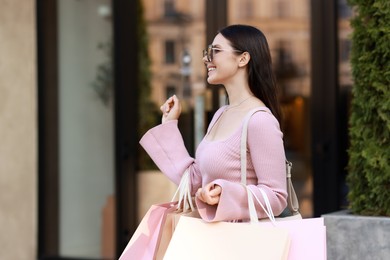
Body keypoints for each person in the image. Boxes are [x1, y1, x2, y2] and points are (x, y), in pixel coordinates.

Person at [140, 24, 287, 222]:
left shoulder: (260, 120)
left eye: (215, 51)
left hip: (241, 246)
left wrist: (224, 193)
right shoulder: (221, 114)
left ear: (243, 58)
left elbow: (276, 198)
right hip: (215, 241)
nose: (205, 59)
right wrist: (169, 124)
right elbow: (194, 183)